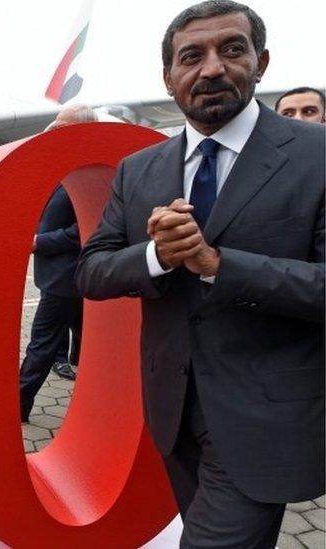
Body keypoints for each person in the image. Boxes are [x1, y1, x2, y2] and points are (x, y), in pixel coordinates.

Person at [76, 1, 324, 546]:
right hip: (173, 408)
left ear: (260, 62)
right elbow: (91, 272)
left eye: (231, 50)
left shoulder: (317, 155)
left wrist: (218, 265)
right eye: (191, 56)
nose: (211, 68)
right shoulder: (139, 169)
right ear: (169, 78)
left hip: (266, 416)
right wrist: (158, 257)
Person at [18, 104, 96, 423]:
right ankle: (97, 409)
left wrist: (39, 242)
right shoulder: (63, 164)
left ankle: (17, 406)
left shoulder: (88, 171)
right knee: (88, 347)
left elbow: (86, 228)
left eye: (62, 127)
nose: (54, 130)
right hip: (65, 277)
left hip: (68, 277)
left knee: (42, 344)